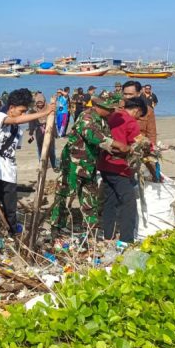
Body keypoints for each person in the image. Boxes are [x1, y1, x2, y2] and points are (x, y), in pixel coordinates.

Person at [51, 91, 128, 231]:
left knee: (90, 195)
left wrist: (120, 151)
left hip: (90, 164)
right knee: (65, 194)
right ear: (100, 106)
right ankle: (57, 227)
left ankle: (90, 228)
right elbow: (93, 136)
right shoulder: (86, 117)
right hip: (74, 163)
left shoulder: (103, 120)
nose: (112, 112)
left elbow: (104, 142)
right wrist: (116, 144)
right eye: (110, 109)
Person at [0, 89, 54, 246]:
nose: (23, 114)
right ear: (11, 108)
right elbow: (16, 120)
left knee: (10, 208)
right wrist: (44, 112)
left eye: (25, 111)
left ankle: (12, 236)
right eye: (21, 111)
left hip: (10, 173)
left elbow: (14, 149)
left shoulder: (19, 130)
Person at [98, 97, 147, 243]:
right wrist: (150, 147)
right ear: (137, 110)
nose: (138, 118)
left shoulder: (113, 116)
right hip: (119, 166)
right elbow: (137, 142)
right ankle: (126, 239)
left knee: (110, 200)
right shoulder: (130, 121)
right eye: (140, 115)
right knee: (128, 202)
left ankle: (108, 235)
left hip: (104, 163)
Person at [28, 92, 57, 169]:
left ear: (44, 101)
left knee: (51, 149)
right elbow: (31, 123)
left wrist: (55, 133)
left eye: (41, 102)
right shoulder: (33, 111)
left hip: (49, 130)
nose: (40, 104)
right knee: (40, 149)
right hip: (39, 132)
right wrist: (31, 132)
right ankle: (42, 165)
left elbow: (53, 122)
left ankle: (54, 165)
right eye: (38, 103)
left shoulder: (49, 109)